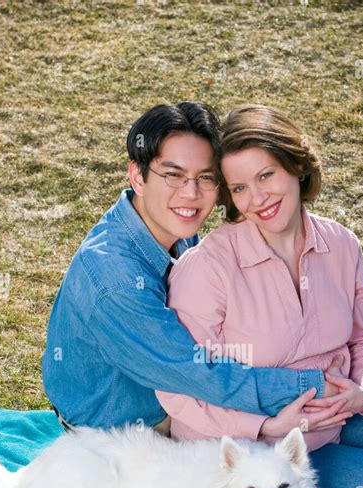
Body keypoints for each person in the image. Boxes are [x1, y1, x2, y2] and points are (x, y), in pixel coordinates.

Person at [156, 104, 363, 488]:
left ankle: (360, 453)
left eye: (266, 176)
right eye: (240, 188)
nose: (257, 199)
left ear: (296, 167)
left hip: (338, 410)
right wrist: (266, 426)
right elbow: (178, 387)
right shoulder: (206, 268)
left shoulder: (341, 244)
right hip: (256, 447)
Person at [42, 102, 346, 434]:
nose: (191, 193)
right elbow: (199, 374)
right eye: (173, 175)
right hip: (126, 434)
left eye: (206, 178)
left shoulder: (172, 229)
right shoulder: (118, 279)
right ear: (137, 177)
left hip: (188, 397)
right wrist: (313, 383)